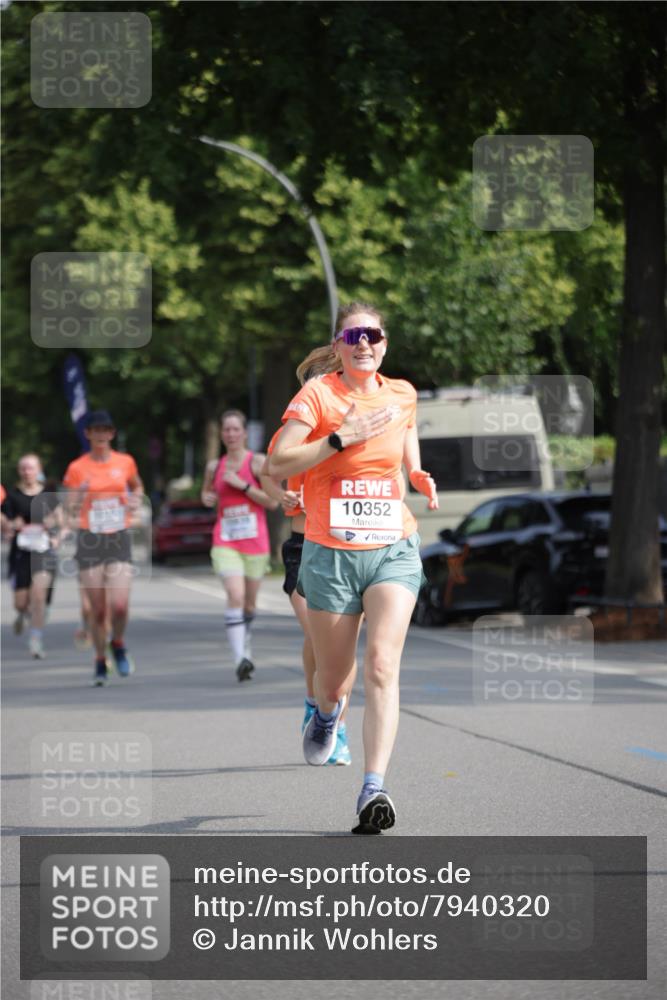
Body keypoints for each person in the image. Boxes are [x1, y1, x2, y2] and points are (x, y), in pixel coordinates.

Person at [269, 303, 437, 834]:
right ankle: (324, 715)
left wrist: (415, 469)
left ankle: (373, 789)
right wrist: (343, 435)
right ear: (339, 344)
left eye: (374, 334)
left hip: (393, 545)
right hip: (331, 552)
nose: (365, 343)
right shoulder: (318, 395)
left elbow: (406, 426)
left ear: (385, 343)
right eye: (354, 335)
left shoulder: (403, 392)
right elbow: (278, 463)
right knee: (334, 684)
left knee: (383, 667)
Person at [260, 349, 359, 766]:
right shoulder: (293, 433)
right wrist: (280, 495)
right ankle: (316, 704)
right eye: (315, 384)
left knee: (341, 646)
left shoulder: (352, 432)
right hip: (303, 547)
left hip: (347, 547)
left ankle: (334, 723)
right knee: (321, 640)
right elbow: (268, 471)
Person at [62, 410, 144, 686]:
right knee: (98, 610)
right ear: (88, 434)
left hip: (118, 537)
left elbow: (137, 487)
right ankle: (100, 658)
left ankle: (117, 643)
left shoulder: (126, 462)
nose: (100, 435)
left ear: (111, 433)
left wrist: (135, 501)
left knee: (119, 606)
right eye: (94, 430)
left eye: (104, 430)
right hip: (89, 540)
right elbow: (68, 507)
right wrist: (80, 496)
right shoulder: (77, 467)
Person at [201, 409, 278, 682]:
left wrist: (244, 486)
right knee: (234, 594)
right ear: (221, 435)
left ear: (245, 433)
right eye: (226, 430)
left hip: (255, 543)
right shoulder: (214, 466)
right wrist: (207, 498)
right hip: (225, 540)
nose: (231, 434)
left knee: (249, 605)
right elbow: (207, 493)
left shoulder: (257, 462)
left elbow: (273, 502)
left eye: (236, 429)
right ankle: (240, 659)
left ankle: (245, 645)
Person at [1, 454, 62, 658]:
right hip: (20, 554)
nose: (27, 472)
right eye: (24, 468)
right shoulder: (13, 495)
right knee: (21, 603)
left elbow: (60, 519)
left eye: (31, 468)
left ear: (38, 470)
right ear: (19, 471)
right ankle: (22, 614)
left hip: (43, 552)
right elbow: (4, 520)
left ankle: (35, 640)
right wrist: (10, 525)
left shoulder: (48, 495)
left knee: (38, 596)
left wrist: (54, 530)